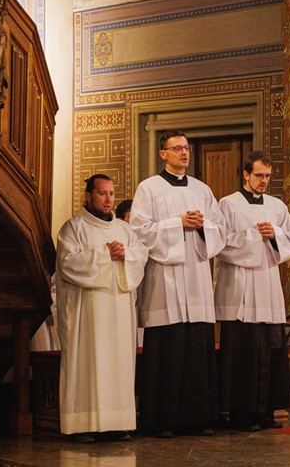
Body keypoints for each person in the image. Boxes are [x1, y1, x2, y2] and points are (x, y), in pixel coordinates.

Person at [130, 130, 226, 438]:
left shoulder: (202, 189)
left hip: (196, 278)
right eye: (177, 148)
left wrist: (202, 226)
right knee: (167, 352)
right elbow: (139, 231)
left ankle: (198, 418)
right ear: (163, 154)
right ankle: (161, 420)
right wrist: (177, 224)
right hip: (165, 281)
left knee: (197, 350)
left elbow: (220, 229)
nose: (184, 153)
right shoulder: (149, 188)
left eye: (186, 148)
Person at [55, 174, 147, 443]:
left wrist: (126, 254)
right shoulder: (73, 228)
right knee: (88, 363)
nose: (108, 200)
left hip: (118, 309)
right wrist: (105, 254)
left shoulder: (124, 229)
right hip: (88, 312)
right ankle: (82, 425)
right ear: (88, 196)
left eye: (111, 194)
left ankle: (117, 423)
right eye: (102, 193)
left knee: (118, 363)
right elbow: (68, 263)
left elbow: (141, 255)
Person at [214, 151, 290, 431]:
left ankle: (266, 412)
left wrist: (275, 235)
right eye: (259, 175)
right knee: (242, 354)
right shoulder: (227, 204)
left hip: (267, 287)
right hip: (239, 287)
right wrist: (253, 236)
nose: (264, 181)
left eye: (268, 176)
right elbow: (219, 243)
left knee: (270, 351)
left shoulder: (277, 207)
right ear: (246, 174)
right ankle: (240, 414)